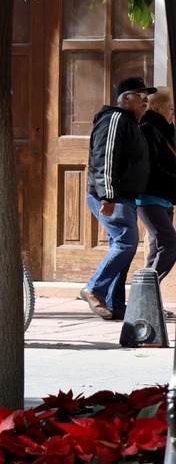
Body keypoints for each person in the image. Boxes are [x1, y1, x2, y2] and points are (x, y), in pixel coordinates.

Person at [82, 76, 153, 320]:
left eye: (147, 96)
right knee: (126, 242)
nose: (146, 101)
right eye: (141, 95)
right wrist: (107, 196)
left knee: (123, 246)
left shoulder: (131, 123)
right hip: (114, 195)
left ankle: (115, 304)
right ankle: (94, 289)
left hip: (125, 196)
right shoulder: (115, 118)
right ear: (126, 98)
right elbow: (105, 158)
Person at [135, 86, 176, 287]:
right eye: (170, 108)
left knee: (158, 248)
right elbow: (153, 168)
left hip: (165, 198)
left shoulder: (166, 130)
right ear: (158, 108)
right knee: (169, 245)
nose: (172, 113)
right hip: (150, 198)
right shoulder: (148, 129)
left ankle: (146, 298)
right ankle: (143, 292)